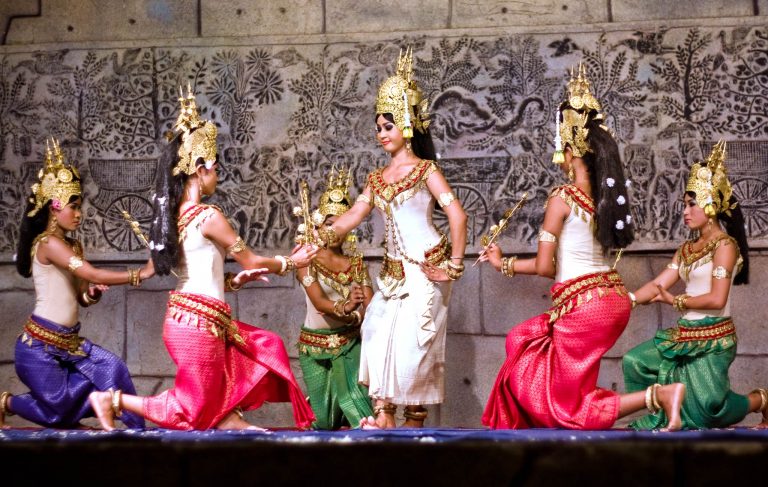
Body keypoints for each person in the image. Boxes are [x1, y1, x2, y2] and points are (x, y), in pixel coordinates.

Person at [88, 87, 317, 431]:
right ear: (199, 168)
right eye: (215, 167)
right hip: (198, 324)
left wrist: (231, 283)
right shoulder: (208, 216)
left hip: (199, 318)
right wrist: (291, 262)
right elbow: (252, 259)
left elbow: (197, 271)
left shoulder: (176, 218)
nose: (218, 174)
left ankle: (229, 419)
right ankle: (113, 400)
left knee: (262, 347)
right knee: (191, 411)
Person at [481, 65, 686, 431]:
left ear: (570, 149)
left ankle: (660, 396)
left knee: (566, 408)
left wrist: (503, 263)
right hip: (609, 300)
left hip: (584, 307)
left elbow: (546, 267)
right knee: (525, 342)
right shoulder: (609, 199)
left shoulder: (561, 198)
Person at [314, 48, 468, 428]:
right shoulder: (376, 178)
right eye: (378, 127)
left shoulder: (425, 170)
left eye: (387, 126)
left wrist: (454, 267)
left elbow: (457, 215)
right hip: (394, 272)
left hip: (428, 267)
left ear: (406, 126)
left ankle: (413, 420)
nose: (380, 133)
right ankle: (383, 415)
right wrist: (322, 234)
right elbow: (352, 216)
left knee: (416, 348)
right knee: (376, 331)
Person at [0, 140, 149, 429]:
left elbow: (83, 294)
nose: (79, 214)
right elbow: (92, 273)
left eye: (80, 206)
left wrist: (91, 294)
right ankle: (7, 403)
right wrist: (138, 274)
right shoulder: (47, 244)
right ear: (54, 208)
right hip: (38, 348)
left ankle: (137, 436)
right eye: (74, 206)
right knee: (61, 411)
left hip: (69, 344)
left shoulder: (73, 246)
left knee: (112, 369)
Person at [623, 141, 768, 429]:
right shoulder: (686, 249)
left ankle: (760, 400)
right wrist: (624, 300)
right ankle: (664, 409)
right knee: (634, 361)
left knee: (708, 410)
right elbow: (657, 284)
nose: (685, 211)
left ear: (711, 206)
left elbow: (716, 300)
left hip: (714, 339)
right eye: (684, 205)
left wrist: (673, 301)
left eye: (692, 204)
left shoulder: (725, 247)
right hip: (684, 335)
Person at [295, 168, 375, 429]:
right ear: (318, 225)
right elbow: (319, 304)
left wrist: (364, 312)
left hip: (350, 344)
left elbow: (371, 307)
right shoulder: (306, 258)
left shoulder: (355, 263)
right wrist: (347, 306)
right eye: (329, 224)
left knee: (356, 406)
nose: (335, 230)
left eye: (341, 224)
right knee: (323, 422)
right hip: (314, 346)